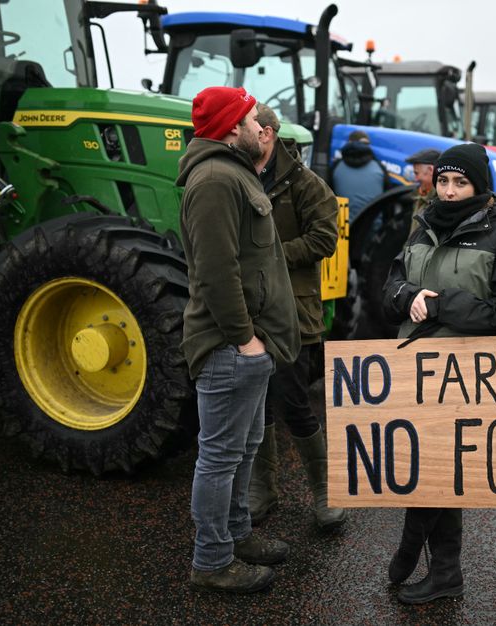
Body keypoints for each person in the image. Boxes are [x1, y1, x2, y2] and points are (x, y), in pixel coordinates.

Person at [382, 143, 496, 604]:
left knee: (445, 471)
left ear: (479, 186)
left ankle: (433, 563)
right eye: (443, 181)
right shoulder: (423, 226)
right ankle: (431, 561)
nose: (447, 191)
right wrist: (407, 295)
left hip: (466, 376)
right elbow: (390, 285)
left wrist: (445, 304)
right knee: (423, 466)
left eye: (459, 182)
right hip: (415, 369)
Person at [177, 87, 300, 593]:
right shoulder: (212, 180)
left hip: (250, 344)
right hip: (231, 347)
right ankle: (211, 562)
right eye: (252, 118)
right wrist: (244, 338)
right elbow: (215, 271)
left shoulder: (234, 172)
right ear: (232, 127)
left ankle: (235, 536)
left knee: (244, 448)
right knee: (220, 456)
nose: (261, 126)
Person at [246, 103, 347, 531]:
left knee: (293, 400)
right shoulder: (238, 175)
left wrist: (269, 258)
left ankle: (325, 489)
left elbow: (325, 239)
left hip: (294, 309)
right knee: (255, 401)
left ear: (266, 133)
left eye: (244, 125)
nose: (237, 133)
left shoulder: (306, 184)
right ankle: (262, 488)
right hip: (250, 308)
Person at [331, 129, 389, 221]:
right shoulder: (379, 167)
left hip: (342, 229)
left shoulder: (336, 166)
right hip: (371, 229)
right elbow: (387, 201)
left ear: (349, 143)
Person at [405, 147, 441, 234]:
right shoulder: (420, 197)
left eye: (417, 173)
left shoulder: (440, 203)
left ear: (430, 170)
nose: (416, 179)